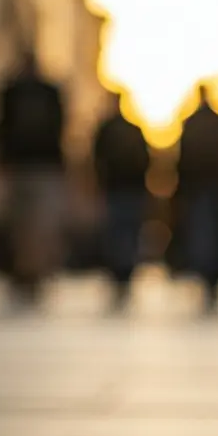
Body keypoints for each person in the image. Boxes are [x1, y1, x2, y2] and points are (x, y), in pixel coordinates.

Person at [0, 50, 67, 305]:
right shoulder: (50, 92)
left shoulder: (11, 91)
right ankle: (33, 272)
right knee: (39, 225)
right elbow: (61, 127)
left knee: (22, 225)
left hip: (20, 165)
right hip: (44, 166)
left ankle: (26, 272)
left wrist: (0, 161)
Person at [174, 85, 218, 315]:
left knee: (202, 235)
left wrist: (180, 191)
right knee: (215, 235)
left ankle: (206, 275)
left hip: (199, 189)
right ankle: (212, 276)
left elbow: (182, 160)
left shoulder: (192, 124)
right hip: (217, 189)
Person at [90, 92, 152, 313]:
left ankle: (120, 271)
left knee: (119, 232)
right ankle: (123, 271)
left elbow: (97, 159)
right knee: (124, 232)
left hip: (119, 189)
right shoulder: (131, 130)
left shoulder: (109, 129)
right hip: (127, 189)